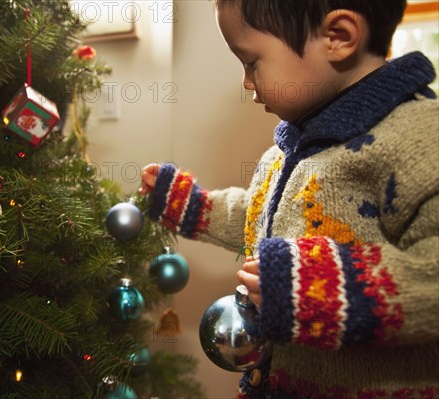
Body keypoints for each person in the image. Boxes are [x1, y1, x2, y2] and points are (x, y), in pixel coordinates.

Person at [139, 1, 439, 398]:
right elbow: (261, 218)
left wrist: (318, 289)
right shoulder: (292, 146)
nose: (247, 82)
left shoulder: (420, 137)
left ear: (338, 37)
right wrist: (193, 206)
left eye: (251, 61)